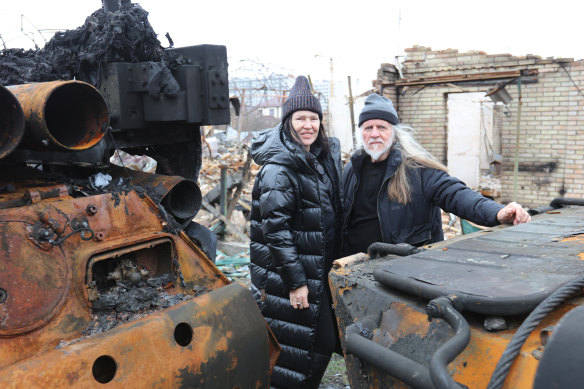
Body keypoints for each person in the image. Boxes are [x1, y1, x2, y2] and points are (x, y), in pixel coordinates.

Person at [342, 93, 531, 256]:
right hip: (353, 270)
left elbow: (457, 194)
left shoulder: (419, 171)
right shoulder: (352, 170)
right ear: (361, 133)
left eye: (381, 127)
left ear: (394, 133)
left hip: (401, 272)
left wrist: (497, 212)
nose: (374, 134)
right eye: (368, 128)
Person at [249, 76, 343, 389]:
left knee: (310, 346)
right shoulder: (280, 167)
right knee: (295, 352)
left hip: (317, 270)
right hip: (289, 277)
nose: (308, 125)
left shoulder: (317, 158)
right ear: (288, 122)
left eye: (313, 118)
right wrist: (296, 283)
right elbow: (276, 231)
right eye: (300, 118)